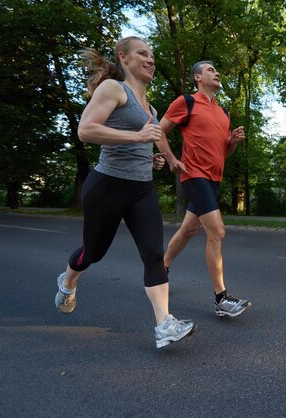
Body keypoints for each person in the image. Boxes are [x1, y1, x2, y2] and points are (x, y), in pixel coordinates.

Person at [54, 36, 196, 349]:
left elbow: (142, 140)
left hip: (141, 189)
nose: (150, 60)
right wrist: (138, 137)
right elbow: (86, 130)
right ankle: (67, 282)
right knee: (93, 253)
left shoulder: (151, 106)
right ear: (124, 58)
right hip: (107, 185)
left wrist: (154, 157)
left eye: (153, 56)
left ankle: (164, 325)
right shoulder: (114, 89)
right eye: (142, 54)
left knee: (153, 253)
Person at [155, 60, 251, 318]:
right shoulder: (185, 102)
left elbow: (224, 153)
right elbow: (159, 130)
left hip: (214, 178)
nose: (216, 72)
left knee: (189, 229)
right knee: (217, 231)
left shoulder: (223, 113)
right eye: (210, 70)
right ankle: (221, 299)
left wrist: (233, 142)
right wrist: (172, 159)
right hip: (194, 175)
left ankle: (160, 269)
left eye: (216, 70)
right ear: (197, 77)